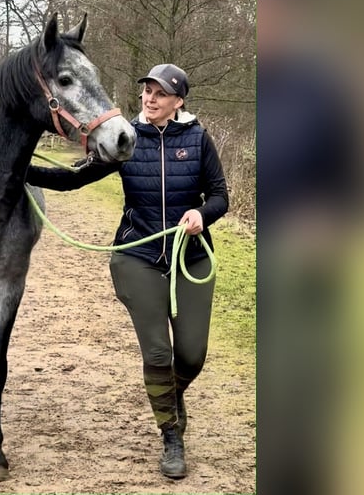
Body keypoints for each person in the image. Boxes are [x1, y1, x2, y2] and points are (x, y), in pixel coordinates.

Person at [26, 63, 229, 479]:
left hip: (190, 257)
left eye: (159, 93)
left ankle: (171, 397)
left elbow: (221, 195)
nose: (149, 99)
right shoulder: (126, 139)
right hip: (137, 258)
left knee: (191, 355)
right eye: (146, 92)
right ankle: (171, 435)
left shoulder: (198, 138)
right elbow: (70, 180)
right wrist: (19, 171)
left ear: (178, 101)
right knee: (158, 353)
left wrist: (201, 214)